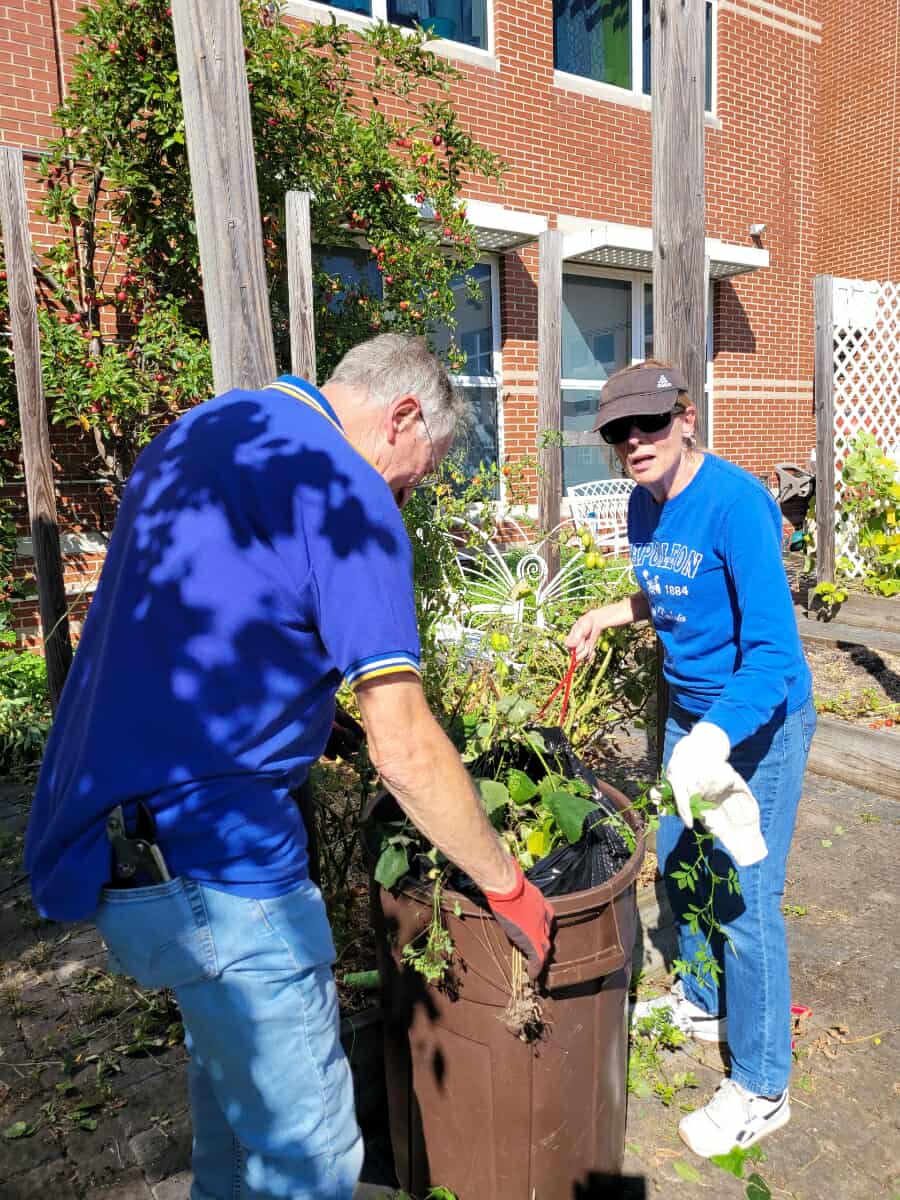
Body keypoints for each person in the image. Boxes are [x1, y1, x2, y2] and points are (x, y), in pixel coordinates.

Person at [25, 334, 554, 1200]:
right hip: (230, 886)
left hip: (129, 863)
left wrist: (318, 720)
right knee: (310, 1164)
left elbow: (222, 625)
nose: (408, 489)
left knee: (237, 1137)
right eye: (419, 469)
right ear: (403, 415)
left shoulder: (207, 431)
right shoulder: (345, 492)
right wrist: (504, 884)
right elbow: (407, 749)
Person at [565, 360, 815, 1159]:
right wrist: (613, 611)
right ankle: (703, 1000)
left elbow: (774, 651)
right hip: (690, 714)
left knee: (745, 897)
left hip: (759, 719)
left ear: (687, 418)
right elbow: (671, 590)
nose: (634, 442)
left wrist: (718, 737)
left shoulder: (738, 505)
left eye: (649, 424)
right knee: (677, 859)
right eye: (618, 433)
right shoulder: (645, 504)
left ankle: (762, 1085)